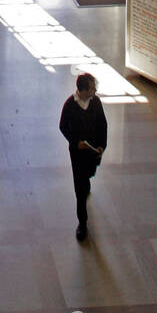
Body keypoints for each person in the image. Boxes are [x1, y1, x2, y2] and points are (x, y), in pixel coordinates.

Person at [59, 72, 107, 240]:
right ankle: (82, 222)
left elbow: (102, 124)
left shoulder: (96, 103)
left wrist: (102, 145)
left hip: (93, 152)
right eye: (92, 89)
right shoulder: (70, 105)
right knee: (79, 187)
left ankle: (87, 183)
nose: (94, 91)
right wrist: (75, 142)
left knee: (89, 174)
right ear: (83, 90)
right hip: (78, 153)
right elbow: (63, 126)